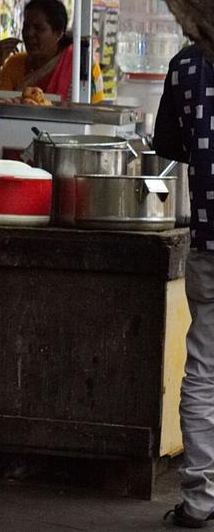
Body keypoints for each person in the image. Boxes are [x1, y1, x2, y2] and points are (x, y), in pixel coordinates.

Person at [153, 43, 214, 527]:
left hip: (210, 240)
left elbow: (168, 145)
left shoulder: (188, 63)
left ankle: (199, 500)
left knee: (204, 372)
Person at [0, 0, 104, 102]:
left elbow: (96, 115)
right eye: (26, 27)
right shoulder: (14, 64)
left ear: (58, 33)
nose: (29, 34)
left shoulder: (83, 66)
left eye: (39, 28)